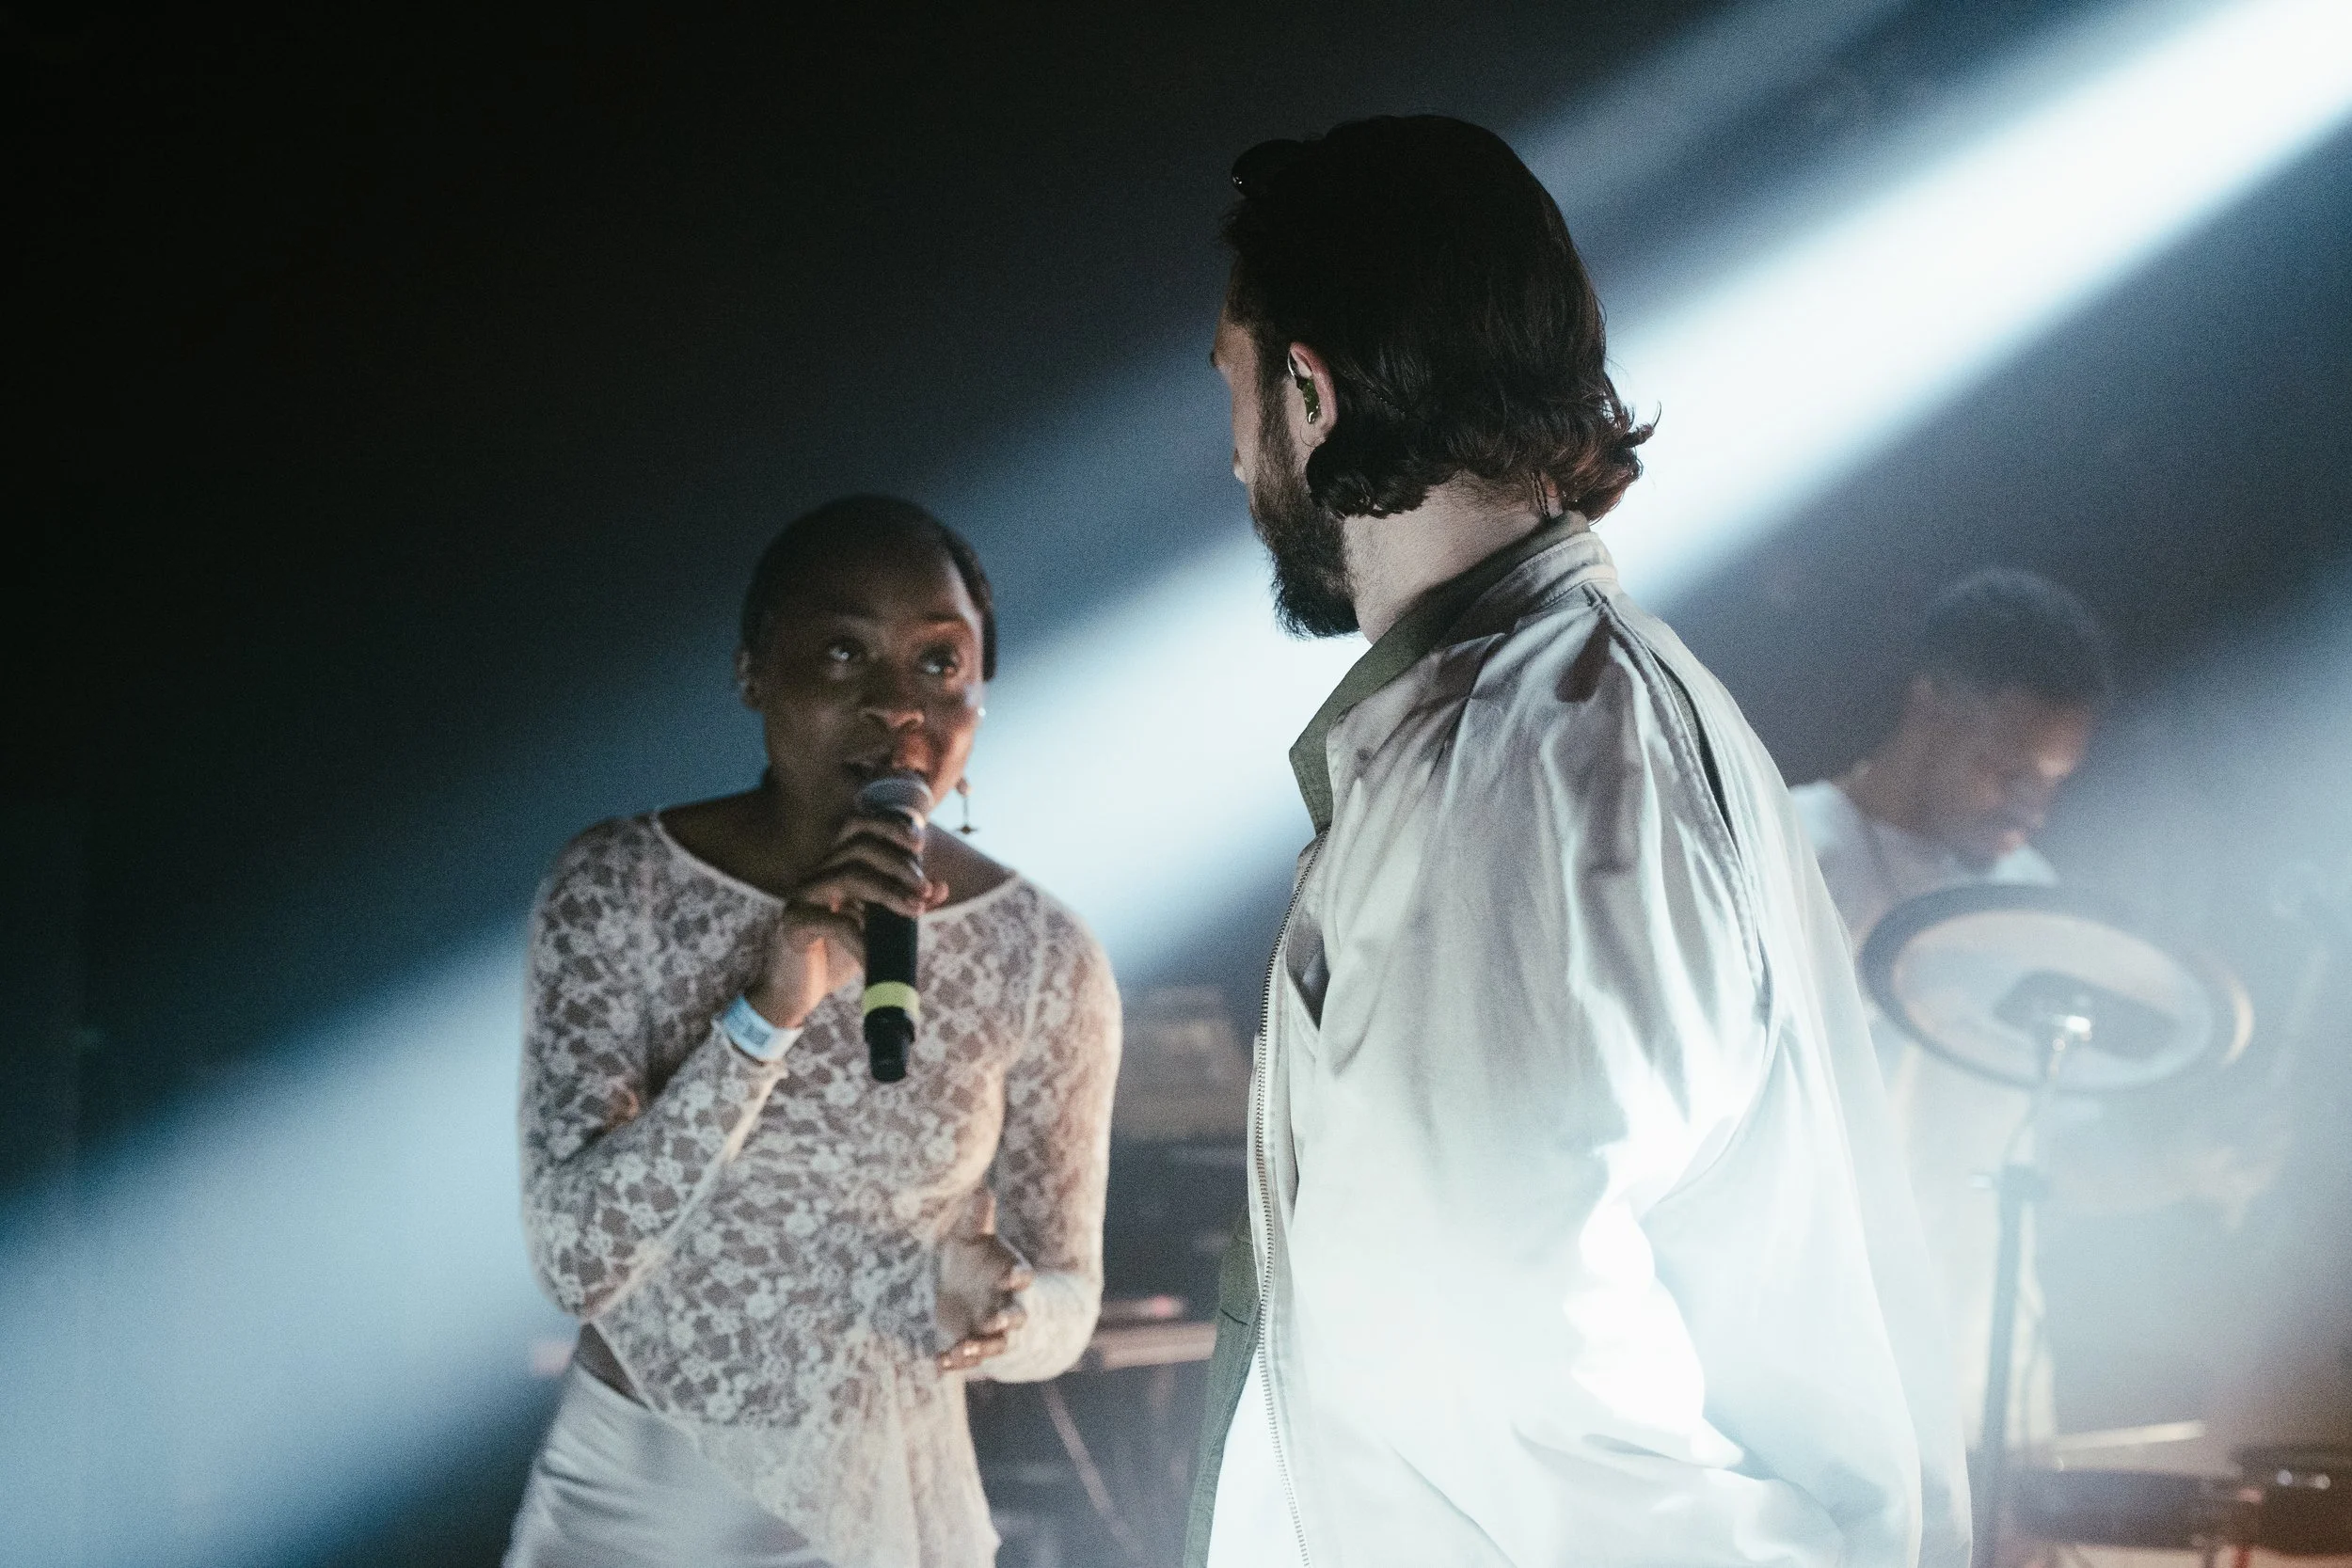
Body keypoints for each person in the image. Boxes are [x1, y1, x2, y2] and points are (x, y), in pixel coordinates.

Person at [1186, 116, 1968, 1568]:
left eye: (1234, 391)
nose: (1232, 461)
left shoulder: (1513, 775)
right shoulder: (1567, 720)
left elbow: (1514, 1395)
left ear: (1311, 391)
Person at [505, 496, 1120, 1568]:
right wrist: (767, 1009)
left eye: (940, 662)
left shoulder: (1043, 953)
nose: (897, 705)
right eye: (843, 651)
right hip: (637, 1512)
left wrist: (1005, 1315)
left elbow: (1070, 1298)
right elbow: (576, 1258)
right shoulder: (616, 886)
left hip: (887, 1510)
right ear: (754, 670)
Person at [1790, 571, 2106, 1451]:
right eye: (2007, 768)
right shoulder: (1791, 855)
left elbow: (2049, 1160)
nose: (2030, 804)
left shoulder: (2034, 900)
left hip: (1992, 1405)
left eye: (2052, 780)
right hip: (1821, 1398)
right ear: (1928, 705)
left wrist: (2191, 1168)